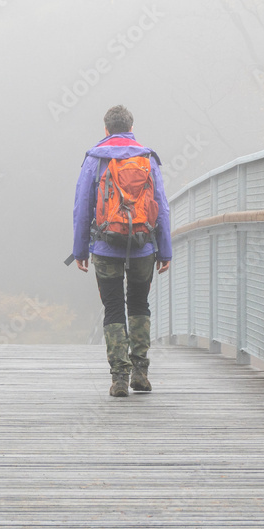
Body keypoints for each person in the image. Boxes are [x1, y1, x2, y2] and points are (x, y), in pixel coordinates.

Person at [72, 105, 171, 397]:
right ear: (131, 128)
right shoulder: (147, 158)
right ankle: (140, 372)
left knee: (114, 307)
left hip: (105, 246)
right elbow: (161, 207)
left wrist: (80, 249)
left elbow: (81, 209)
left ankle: (118, 378)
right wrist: (164, 251)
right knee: (139, 305)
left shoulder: (95, 159)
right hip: (143, 246)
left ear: (106, 129)